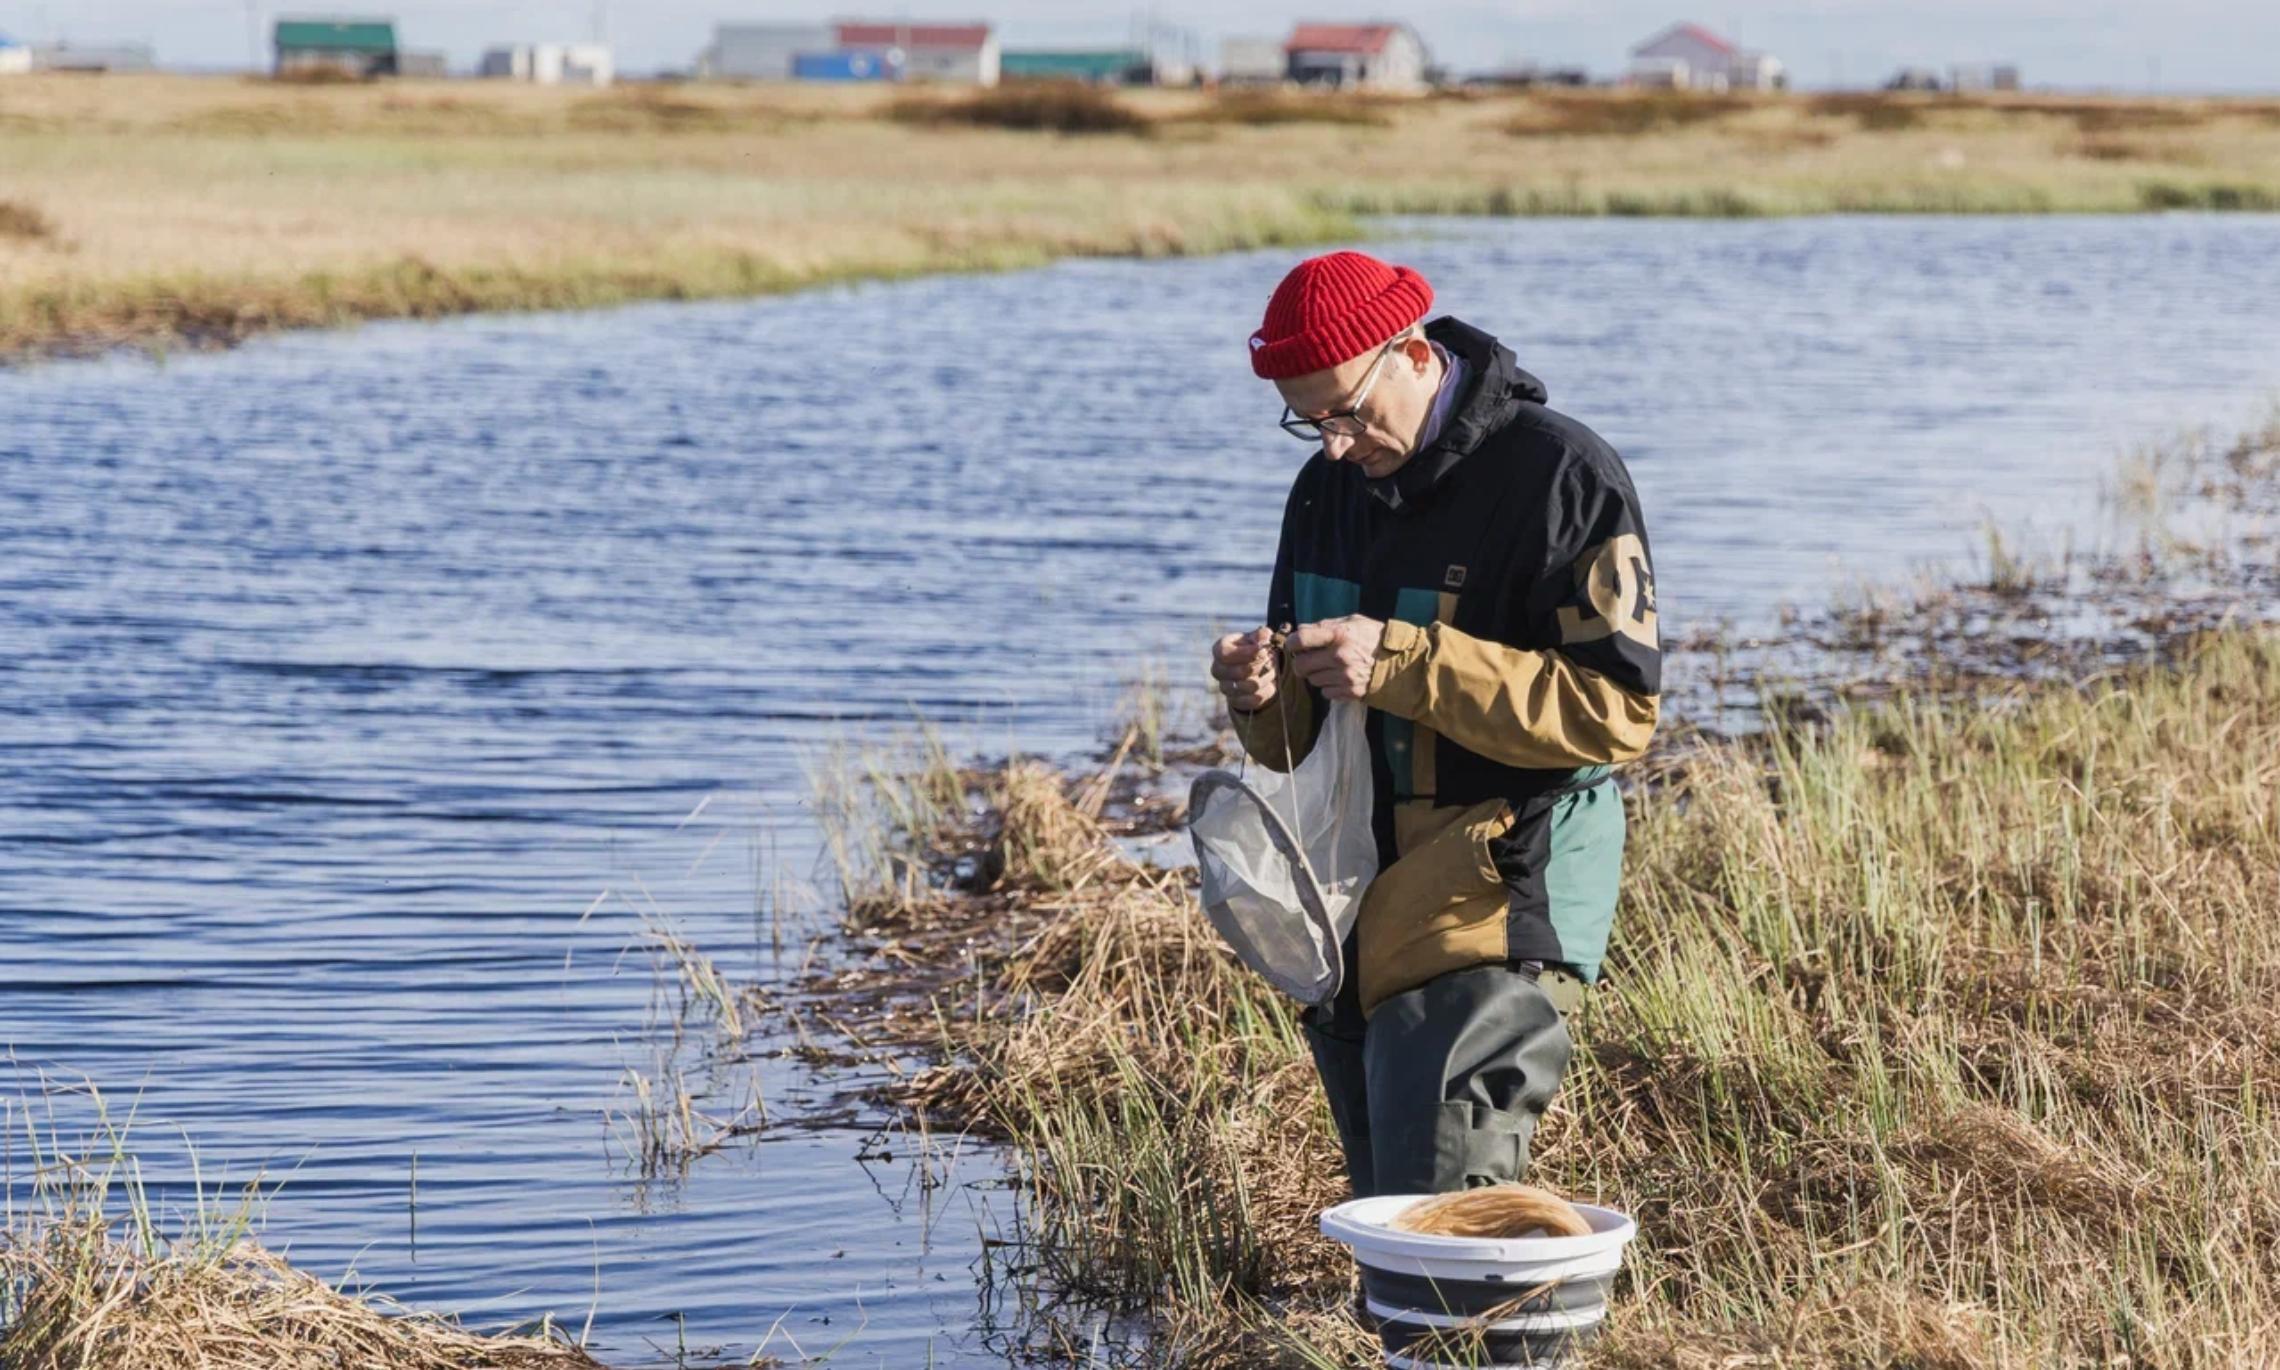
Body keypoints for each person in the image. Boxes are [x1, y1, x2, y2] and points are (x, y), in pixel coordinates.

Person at [1208, 250, 1661, 1197]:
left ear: (1413, 353)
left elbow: (1616, 714)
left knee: (1440, 1224)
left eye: (1346, 412)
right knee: (1387, 1219)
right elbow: (1306, 742)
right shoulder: (1324, 491)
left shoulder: (1559, 474)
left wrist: (1405, 661)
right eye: (1308, 420)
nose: (1332, 444)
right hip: (1359, 912)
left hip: (1501, 897)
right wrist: (1261, 698)